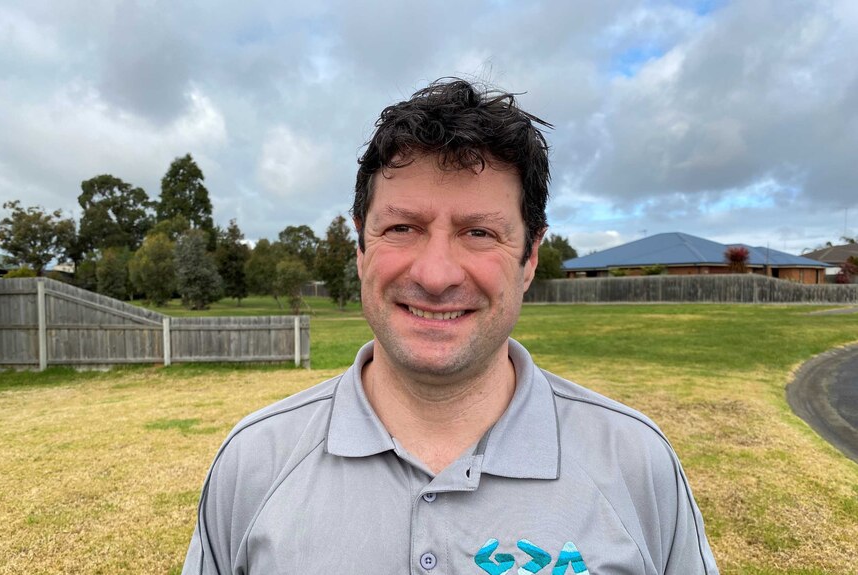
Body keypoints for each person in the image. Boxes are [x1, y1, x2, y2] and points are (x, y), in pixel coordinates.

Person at [181, 78, 719, 574]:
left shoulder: (637, 464)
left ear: (530, 257)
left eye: (479, 233)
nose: (435, 276)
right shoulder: (251, 464)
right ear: (361, 248)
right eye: (401, 227)